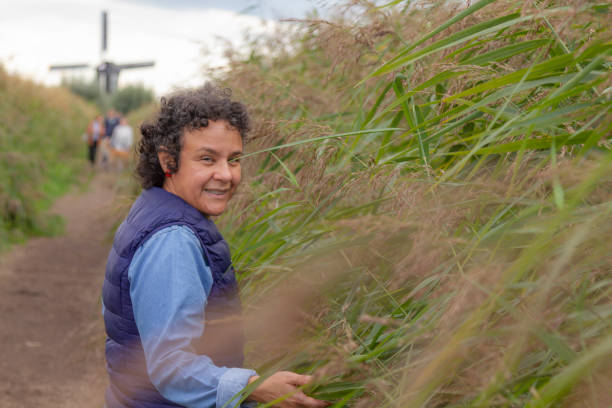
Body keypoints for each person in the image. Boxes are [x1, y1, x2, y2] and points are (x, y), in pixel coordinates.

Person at [102, 84, 328, 408]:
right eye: (207, 159)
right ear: (168, 161)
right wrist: (254, 386)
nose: (225, 174)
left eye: (234, 160)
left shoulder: (154, 208)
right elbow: (171, 366)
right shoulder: (174, 239)